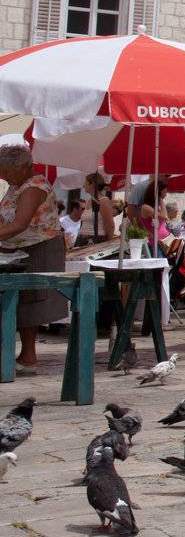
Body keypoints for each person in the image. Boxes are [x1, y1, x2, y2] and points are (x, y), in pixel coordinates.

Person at [0, 144, 65, 375]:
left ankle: (28, 357)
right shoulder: (16, 186)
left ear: (22, 167)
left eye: (6, 171)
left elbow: (19, 224)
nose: (3, 176)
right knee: (18, 300)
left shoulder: (34, 186)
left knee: (31, 301)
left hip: (39, 248)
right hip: (17, 248)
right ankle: (21, 355)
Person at [80, 172, 119, 246]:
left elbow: (110, 224)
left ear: (92, 184)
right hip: (83, 240)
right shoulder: (89, 201)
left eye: (85, 183)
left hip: (96, 240)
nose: (83, 186)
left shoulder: (103, 201)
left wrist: (107, 243)